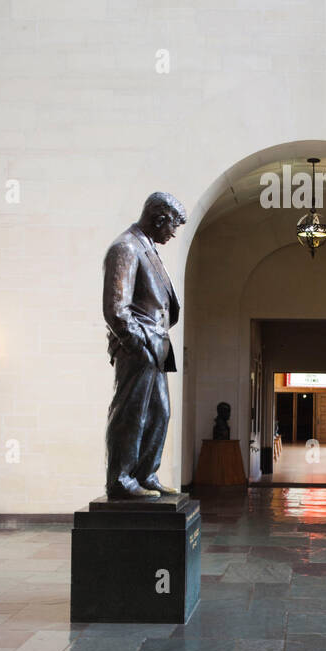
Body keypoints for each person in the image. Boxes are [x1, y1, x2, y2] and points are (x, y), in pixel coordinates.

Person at [102, 191, 186, 499]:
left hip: (157, 345)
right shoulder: (125, 248)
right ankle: (121, 479)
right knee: (131, 413)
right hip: (140, 346)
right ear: (159, 219)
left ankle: (145, 473)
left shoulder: (147, 247)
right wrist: (138, 343)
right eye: (172, 226)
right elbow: (115, 308)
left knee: (159, 413)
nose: (174, 233)